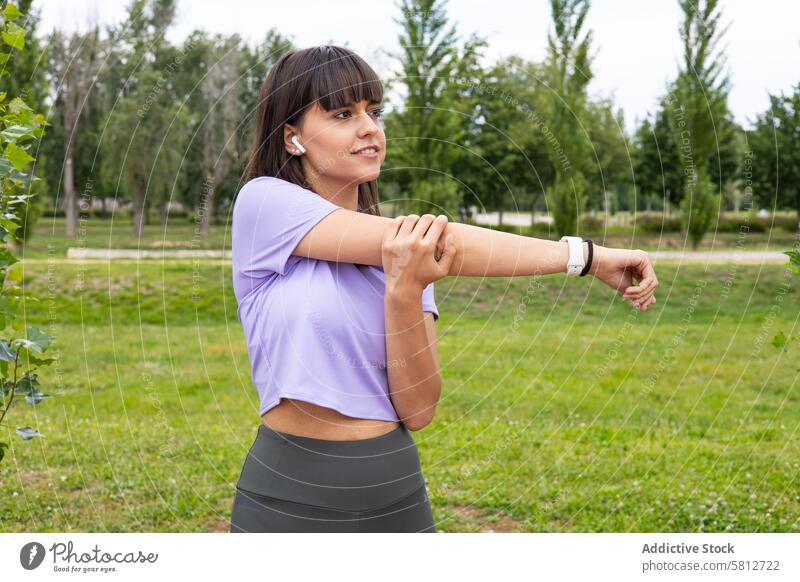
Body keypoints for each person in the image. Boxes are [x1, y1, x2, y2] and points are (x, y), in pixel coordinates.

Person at [228, 45, 658, 533]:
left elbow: (419, 407)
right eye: (343, 114)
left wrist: (404, 293)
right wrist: (586, 258)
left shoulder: (406, 258)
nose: (370, 128)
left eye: (374, 112)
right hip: (285, 491)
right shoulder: (263, 204)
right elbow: (444, 240)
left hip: (393, 490)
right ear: (292, 139)